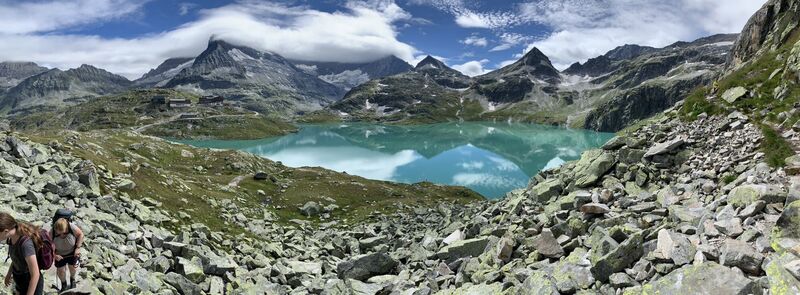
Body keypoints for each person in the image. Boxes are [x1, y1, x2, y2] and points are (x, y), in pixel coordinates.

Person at [0, 213, 43, 295]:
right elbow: (16, 258)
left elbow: (35, 274)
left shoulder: (26, 244)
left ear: (6, 231)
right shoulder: (11, 239)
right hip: (19, 279)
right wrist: (9, 274)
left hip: (31, 282)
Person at [51, 218, 83, 292]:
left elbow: (80, 234)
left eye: (65, 233)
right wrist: (54, 255)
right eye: (59, 234)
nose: (62, 235)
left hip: (72, 252)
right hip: (59, 254)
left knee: (72, 268)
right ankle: (64, 284)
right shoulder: (51, 232)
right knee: (61, 271)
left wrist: (78, 248)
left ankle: (72, 279)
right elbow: (48, 245)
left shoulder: (71, 227)